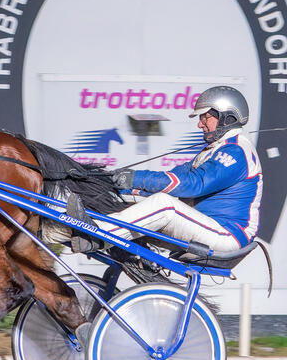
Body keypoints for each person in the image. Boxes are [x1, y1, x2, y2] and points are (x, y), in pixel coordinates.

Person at [62, 85, 263, 254]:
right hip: (210, 225)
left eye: (205, 117)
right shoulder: (215, 149)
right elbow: (175, 178)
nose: (199, 124)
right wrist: (115, 184)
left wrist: (133, 178)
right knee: (132, 197)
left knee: (165, 205)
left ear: (227, 118)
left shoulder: (236, 151)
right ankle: (62, 228)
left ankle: (96, 236)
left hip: (228, 234)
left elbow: (194, 184)